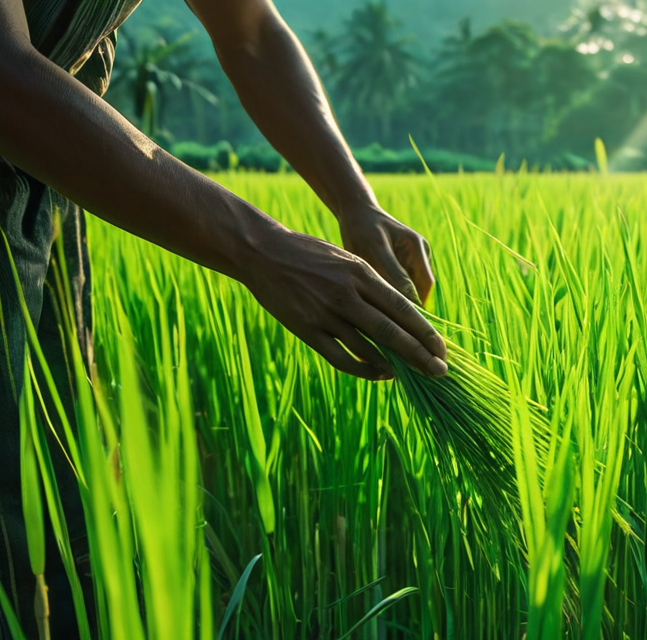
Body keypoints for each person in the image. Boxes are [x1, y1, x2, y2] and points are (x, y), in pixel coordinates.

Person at [0, 0, 449, 636]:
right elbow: (5, 80)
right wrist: (262, 248)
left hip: (46, 179)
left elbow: (252, 30)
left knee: (66, 508)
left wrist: (355, 200)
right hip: (23, 129)